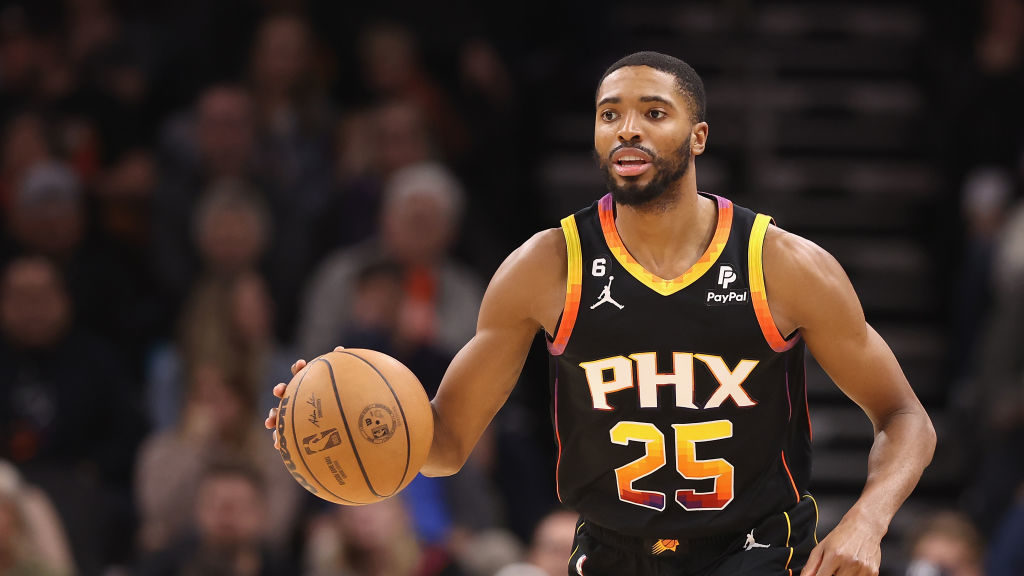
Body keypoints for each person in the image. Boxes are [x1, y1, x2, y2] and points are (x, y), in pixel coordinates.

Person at [267, 51, 936, 576]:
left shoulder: (782, 265)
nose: (628, 128)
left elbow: (905, 417)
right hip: (612, 552)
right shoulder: (545, 267)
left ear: (698, 135)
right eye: (609, 113)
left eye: (653, 111)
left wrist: (868, 519)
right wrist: (332, 424)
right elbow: (443, 444)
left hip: (756, 549)